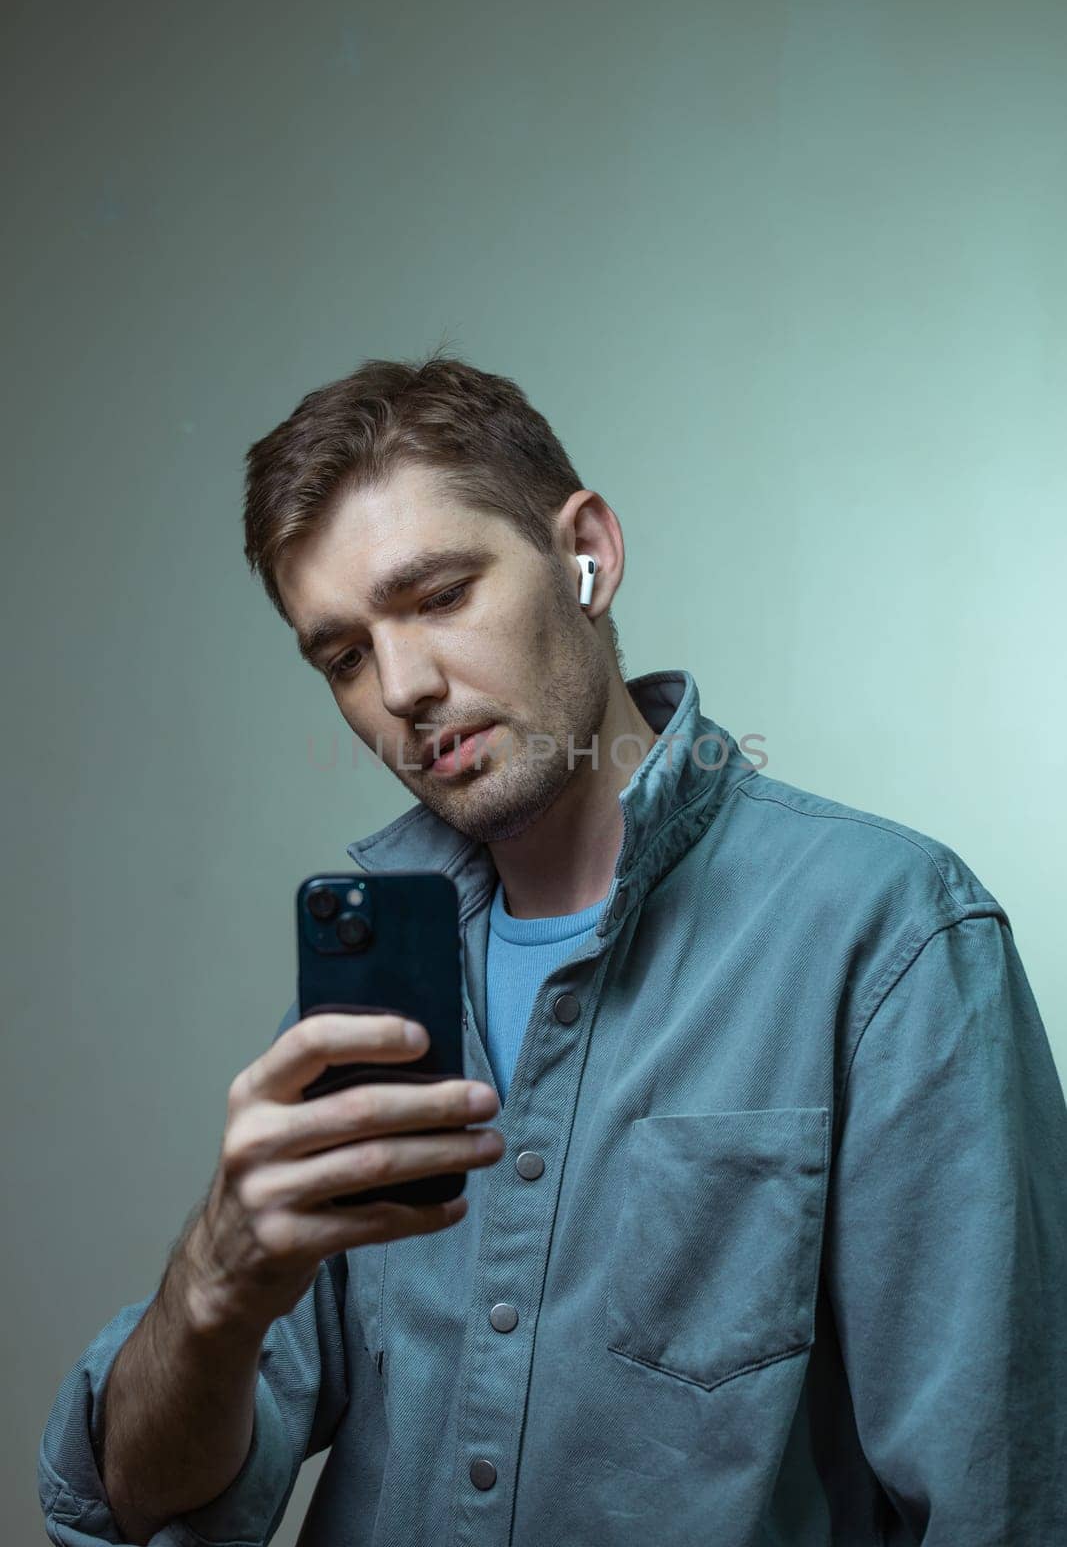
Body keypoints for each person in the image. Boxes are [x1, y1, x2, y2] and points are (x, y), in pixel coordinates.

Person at [39, 355, 1067, 1547]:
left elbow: (1001, 1499)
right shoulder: (380, 984)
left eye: (436, 596)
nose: (404, 689)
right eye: (344, 657)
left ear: (587, 555)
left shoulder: (889, 938)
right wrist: (212, 1290)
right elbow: (138, 1506)